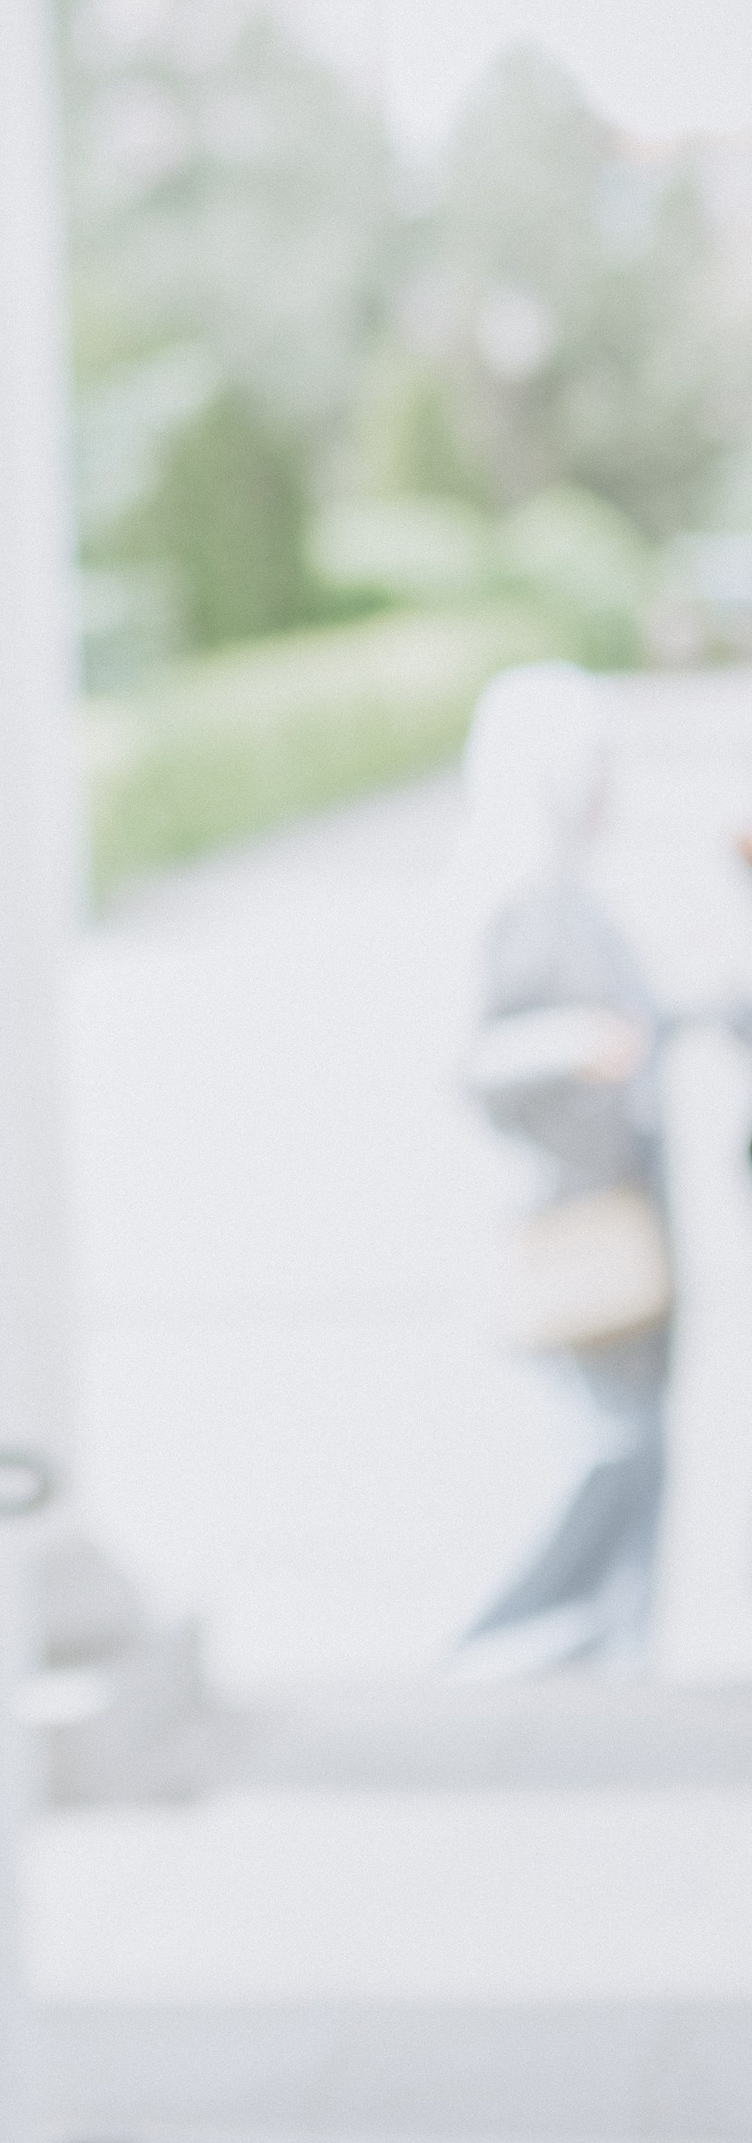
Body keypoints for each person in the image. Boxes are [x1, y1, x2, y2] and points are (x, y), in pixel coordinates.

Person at [453, 660, 673, 1674]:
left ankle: (599, 1636)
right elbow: (474, 1057)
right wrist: (575, 1039)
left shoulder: (577, 892)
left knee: (629, 1435)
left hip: (619, 1190)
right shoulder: (521, 895)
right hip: (569, 1199)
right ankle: (518, 1633)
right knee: (607, 1437)